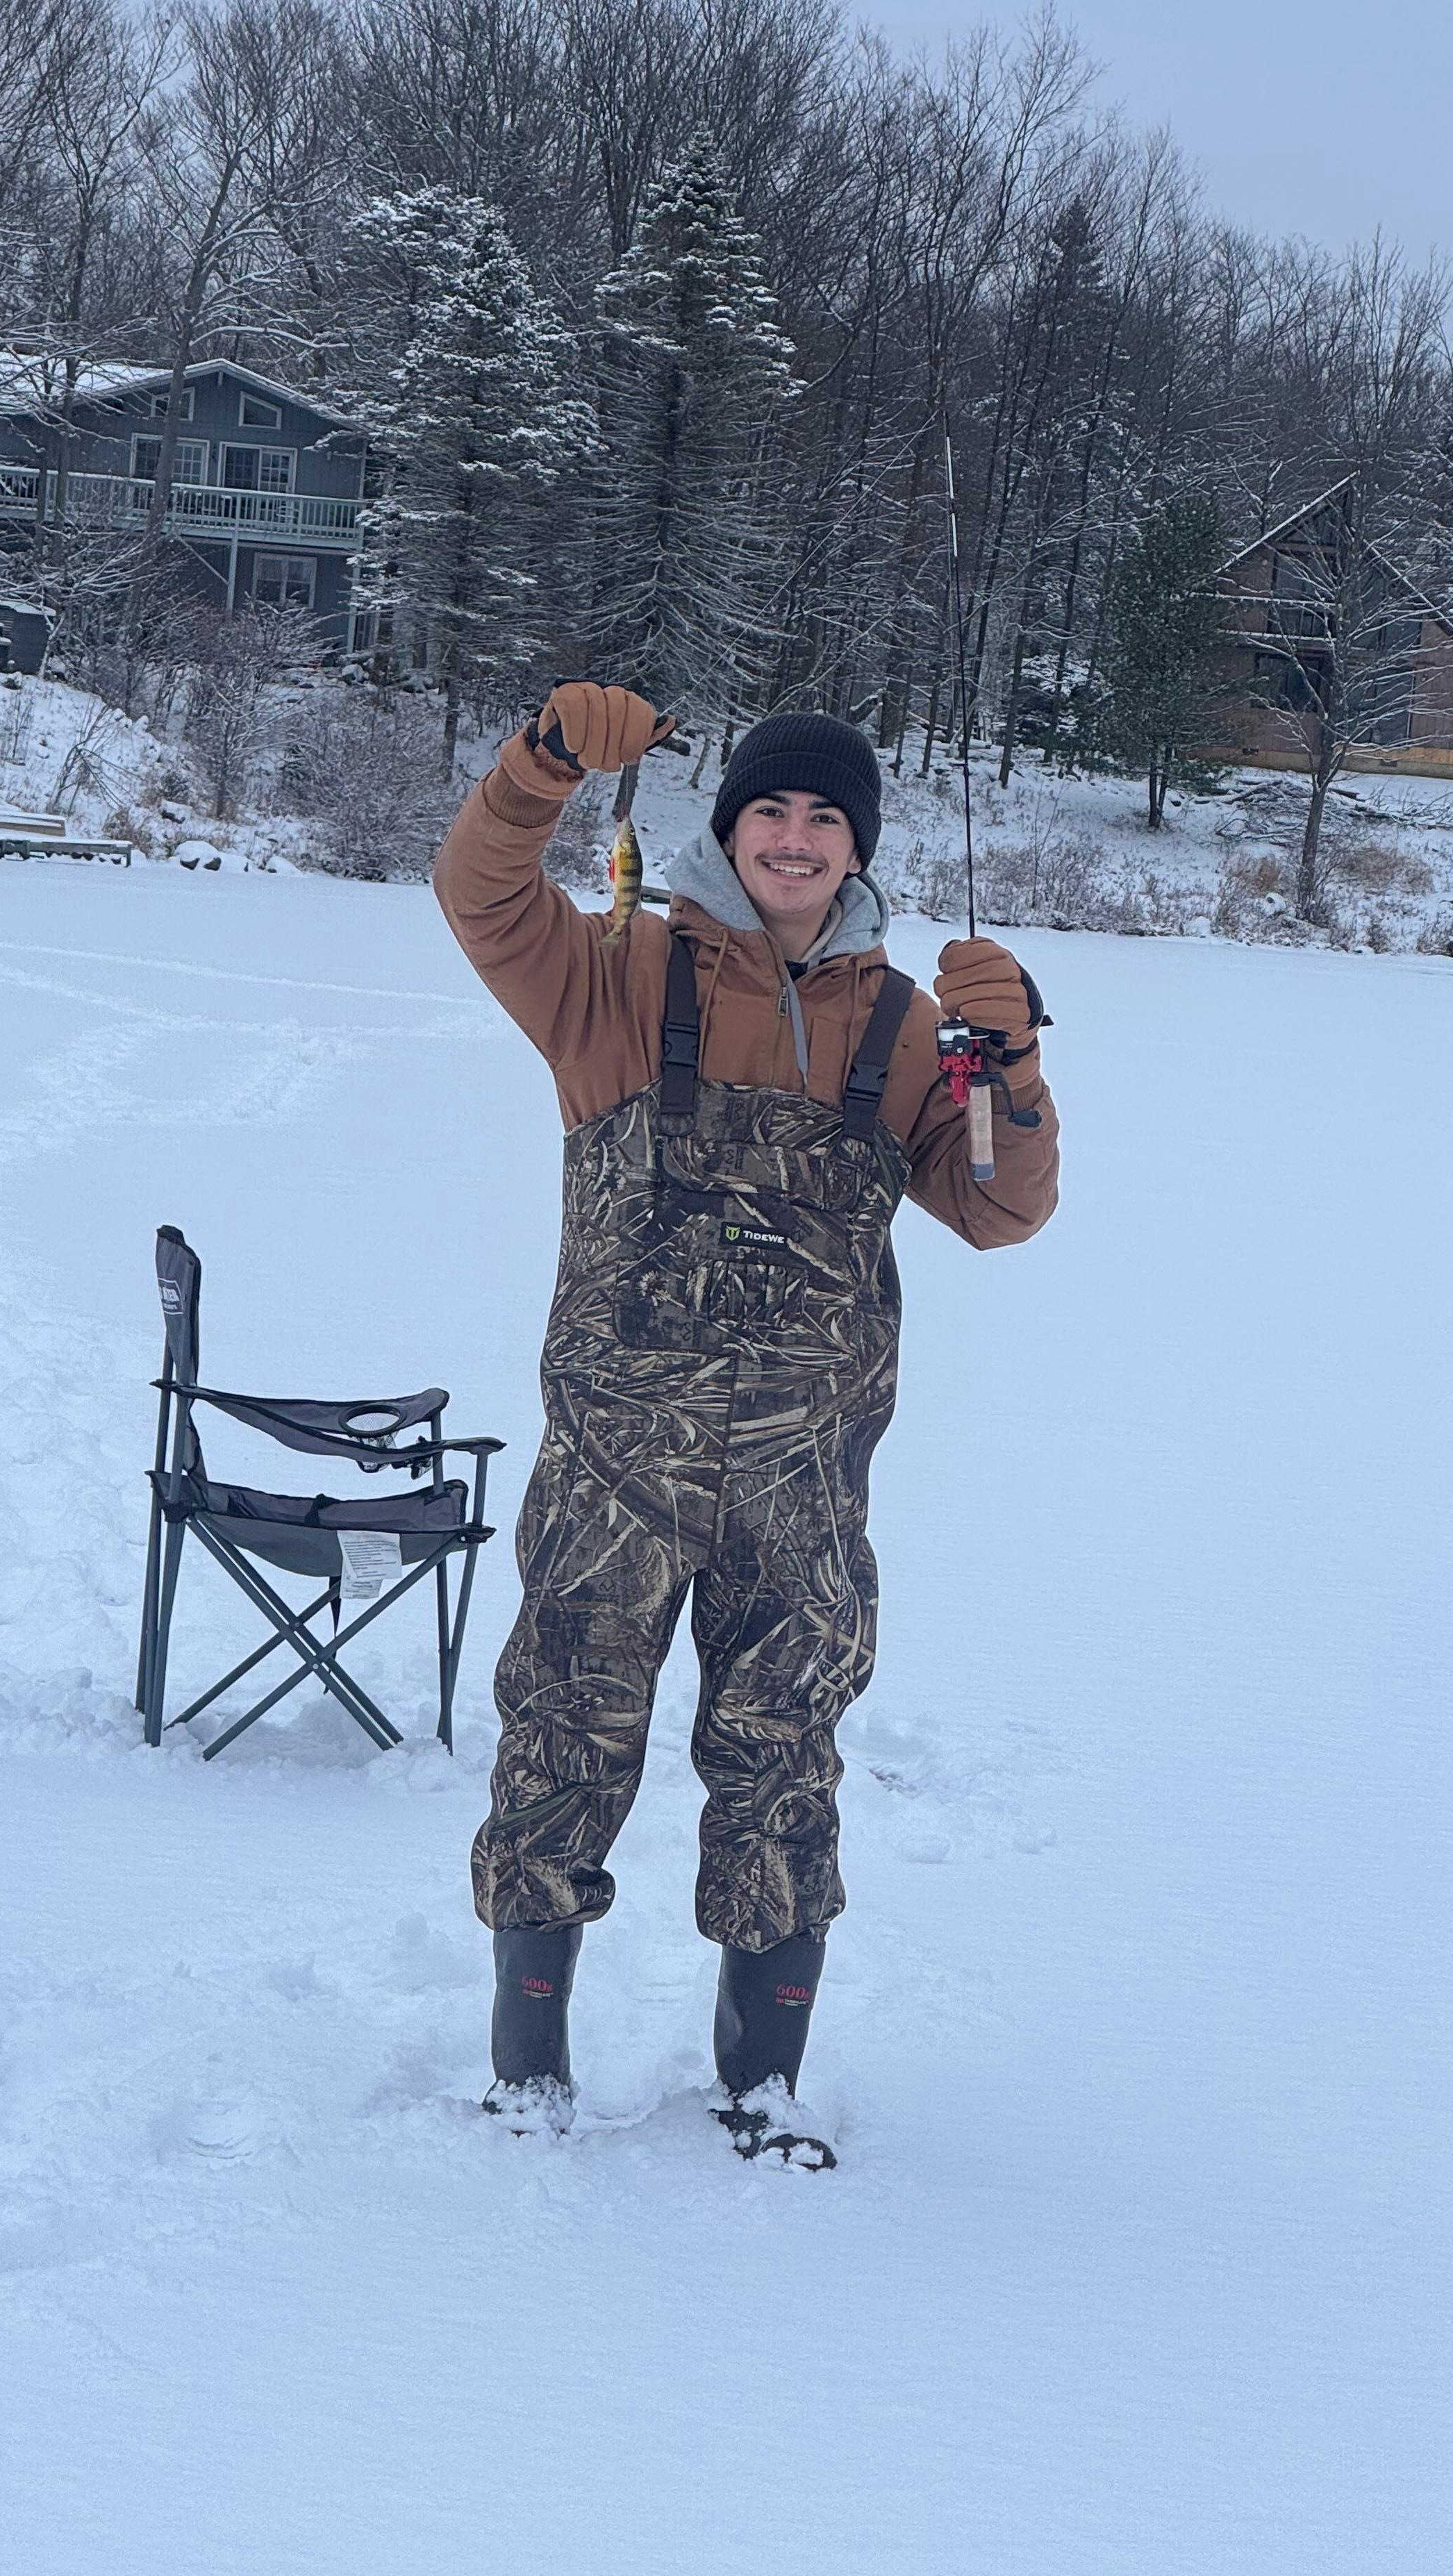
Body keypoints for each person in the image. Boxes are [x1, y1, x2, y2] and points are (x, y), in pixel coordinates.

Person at [433, 683, 1059, 2163]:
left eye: (824, 818)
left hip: (805, 1485)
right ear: (728, 832)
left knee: (785, 1759)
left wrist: (1013, 1071)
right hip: (611, 1469)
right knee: (563, 1742)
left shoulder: (911, 1030)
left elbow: (999, 1209)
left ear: (857, 851)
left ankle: (761, 2087)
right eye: (769, 810)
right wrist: (543, 765)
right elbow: (480, 889)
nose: (793, 837)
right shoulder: (613, 976)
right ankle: (528, 2074)